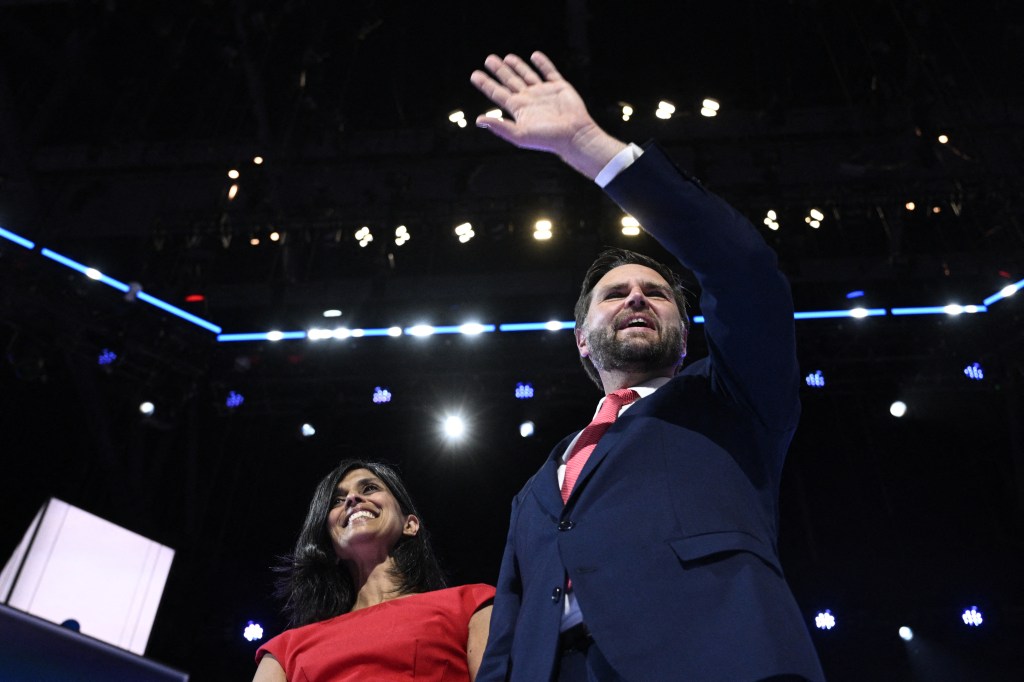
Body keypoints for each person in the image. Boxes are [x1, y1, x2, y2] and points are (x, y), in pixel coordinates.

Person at [469, 52, 826, 681]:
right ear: (582, 340)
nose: (636, 296)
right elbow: (508, 635)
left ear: (685, 336)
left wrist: (589, 146)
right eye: (615, 293)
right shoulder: (535, 491)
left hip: (716, 661)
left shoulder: (731, 403)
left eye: (656, 292)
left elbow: (742, 271)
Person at [253, 459, 494, 681]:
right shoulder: (284, 652)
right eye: (337, 501)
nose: (352, 499)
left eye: (369, 488)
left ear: (409, 524)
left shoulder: (471, 605)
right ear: (330, 546)